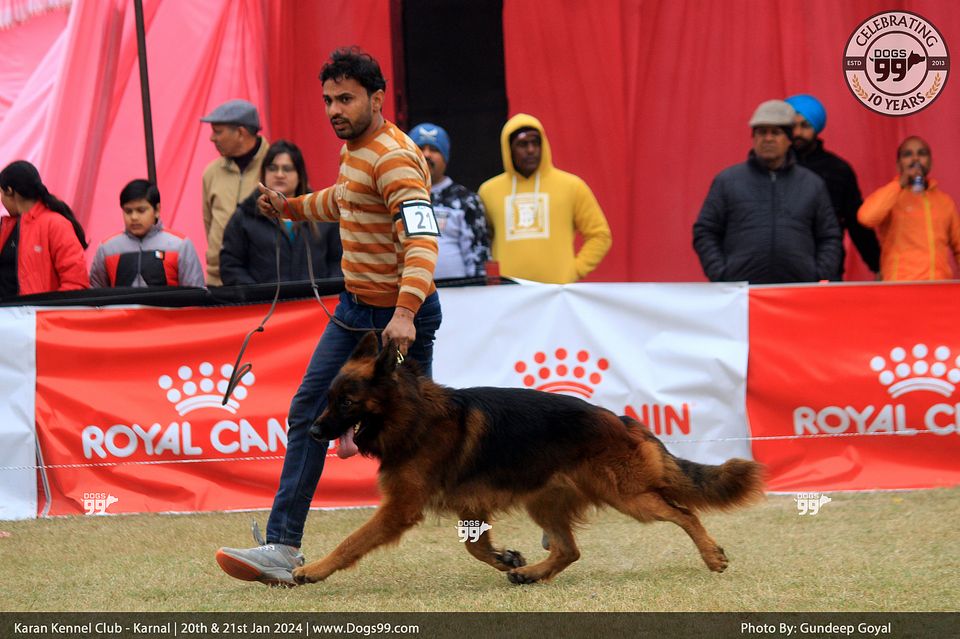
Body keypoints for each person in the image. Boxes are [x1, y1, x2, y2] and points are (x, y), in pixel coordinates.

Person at [215, 47, 441, 587]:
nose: (334, 109)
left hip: (398, 320)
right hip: (354, 311)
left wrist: (405, 313)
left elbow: (423, 240)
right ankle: (282, 545)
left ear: (377, 99)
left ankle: (495, 524)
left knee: (428, 443)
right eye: (328, 100)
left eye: (346, 99)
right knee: (308, 412)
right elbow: (346, 200)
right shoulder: (353, 150)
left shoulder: (395, 157)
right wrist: (291, 208)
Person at [692, 100, 843, 283]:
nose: (768, 138)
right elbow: (705, 230)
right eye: (761, 132)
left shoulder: (812, 184)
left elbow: (830, 236)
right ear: (753, 138)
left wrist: (818, 274)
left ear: (789, 139)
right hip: (741, 293)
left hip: (799, 291)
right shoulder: (727, 181)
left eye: (776, 132)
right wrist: (721, 273)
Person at [478, 114, 611, 284]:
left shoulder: (572, 186)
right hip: (508, 291)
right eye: (522, 144)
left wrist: (574, 270)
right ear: (508, 149)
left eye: (536, 143)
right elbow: (482, 242)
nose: (531, 150)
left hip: (556, 291)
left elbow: (600, 235)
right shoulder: (488, 191)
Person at [220, 140, 342, 285]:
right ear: (263, 173)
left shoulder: (321, 213)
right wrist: (258, 294)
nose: (279, 174)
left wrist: (325, 290)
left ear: (300, 175)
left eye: (287, 169)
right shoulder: (244, 216)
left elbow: (339, 261)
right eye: (272, 168)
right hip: (263, 300)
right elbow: (230, 266)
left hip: (317, 300)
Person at [785, 93, 880, 276]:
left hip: (825, 268)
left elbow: (856, 222)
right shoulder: (772, 168)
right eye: (792, 126)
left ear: (816, 127)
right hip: (781, 269)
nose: (797, 133)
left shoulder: (837, 170)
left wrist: (876, 264)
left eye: (805, 126)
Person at [857, 136, 960, 281]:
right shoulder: (892, 196)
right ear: (898, 165)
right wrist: (900, 183)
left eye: (922, 153)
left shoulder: (945, 202)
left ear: (930, 162)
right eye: (908, 154)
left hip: (938, 285)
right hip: (900, 286)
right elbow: (866, 218)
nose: (915, 159)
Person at [200, 99, 269, 286]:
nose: (212, 138)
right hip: (218, 281)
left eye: (218, 131)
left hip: (263, 282)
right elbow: (209, 222)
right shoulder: (211, 172)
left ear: (240, 132)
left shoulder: (275, 167)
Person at [408, 122, 490, 278]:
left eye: (434, 149)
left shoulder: (466, 200)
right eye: (420, 148)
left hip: (458, 290)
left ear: (445, 157)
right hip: (411, 291)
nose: (426, 154)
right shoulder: (398, 196)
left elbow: (479, 256)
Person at [89, 180, 205, 288]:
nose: (134, 217)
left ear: (157, 210)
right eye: (128, 211)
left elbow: (196, 293)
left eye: (141, 210)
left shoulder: (180, 246)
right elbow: (95, 295)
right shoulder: (107, 249)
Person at [0, 160, 89, 298]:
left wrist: (45, 309)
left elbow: (76, 283)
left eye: (1, 193)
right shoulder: (6, 226)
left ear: (10, 191)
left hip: (35, 311)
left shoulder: (56, 224)